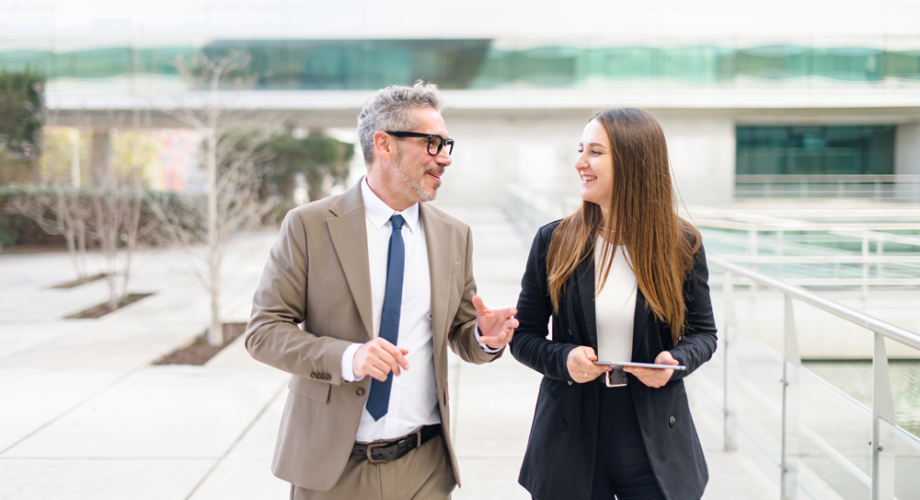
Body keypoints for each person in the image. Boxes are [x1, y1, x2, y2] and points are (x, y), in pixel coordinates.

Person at [244, 81, 519, 500]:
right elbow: (263, 332)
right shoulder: (309, 226)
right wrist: (348, 357)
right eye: (431, 143)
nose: (444, 158)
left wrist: (484, 336)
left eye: (447, 144)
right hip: (333, 469)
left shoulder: (454, 235)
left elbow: (461, 334)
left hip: (425, 466)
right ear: (384, 144)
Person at [510, 108, 717, 500]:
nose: (580, 163)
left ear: (634, 161)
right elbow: (524, 338)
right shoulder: (553, 241)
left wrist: (674, 365)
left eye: (595, 152)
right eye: (580, 149)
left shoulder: (681, 244)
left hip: (652, 432)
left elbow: (703, 334)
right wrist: (565, 359)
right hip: (571, 432)